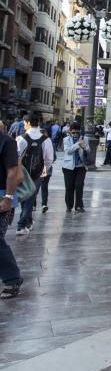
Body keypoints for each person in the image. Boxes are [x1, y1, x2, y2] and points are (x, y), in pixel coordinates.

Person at [16, 113, 54, 233]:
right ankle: (25, 222)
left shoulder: (21, 138)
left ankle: (22, 224)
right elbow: (49, 159)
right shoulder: (46, 140)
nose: (24, 125)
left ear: (27, 123)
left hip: (22, 173)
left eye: (24, 123)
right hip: (38, 173)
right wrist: (45, 171)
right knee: (31, 198)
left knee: (24, 197)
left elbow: (16, 157)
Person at [0, 129, 24, 298]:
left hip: (2, 197)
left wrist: (8, 198)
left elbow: (13, 171)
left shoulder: (6, 142)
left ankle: (12, 279)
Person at [63, 122, 90, 212]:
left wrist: (84, 147)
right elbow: (68, 151)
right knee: (69, 186)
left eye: (77, 132)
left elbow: (88, 150)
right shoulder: (66, 139)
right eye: (73, 132)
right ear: (70, 132)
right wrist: (77, 144)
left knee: (79, 185)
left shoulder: (85, 138)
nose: (75, 134)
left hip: (81, 166)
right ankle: (69, 206)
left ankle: (79, 205)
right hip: (68, 167)